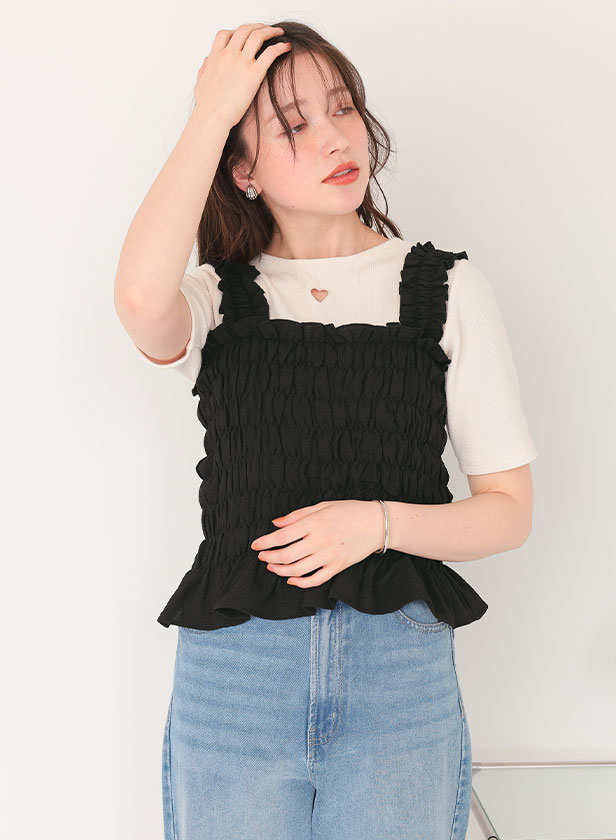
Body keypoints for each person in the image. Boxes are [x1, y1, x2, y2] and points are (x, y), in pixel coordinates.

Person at [114, 20, 537, 840]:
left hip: (397, 675)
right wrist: (212, 112)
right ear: (242, 169)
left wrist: (376, 525)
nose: (337, 138)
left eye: (342, 108)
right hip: (237, 675)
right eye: (292, 126)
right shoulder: (216, 299)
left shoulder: (447, 290)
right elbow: (137, 300)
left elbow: (508, 512)